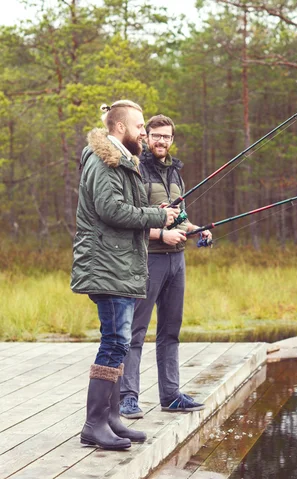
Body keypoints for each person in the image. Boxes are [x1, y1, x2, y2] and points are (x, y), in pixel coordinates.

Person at [71, 101, 180, 450]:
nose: (144, 134)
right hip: (107, 263)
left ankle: (112, 417)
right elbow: (110, 209)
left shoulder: (121, 161)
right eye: (140, 128)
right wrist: (154, 217)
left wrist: (155, 212)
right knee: (115, 342)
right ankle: (94, 424)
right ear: (120, 128)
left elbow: (128, 206)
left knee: (117, 344)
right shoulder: (105, 161)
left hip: (119, 264)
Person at [120, 114, 212, 419]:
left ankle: (171, 395)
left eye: (167, 136)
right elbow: (129, 219)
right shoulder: (135, 170)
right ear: (145, 137)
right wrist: (161, 234)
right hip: (148, 259)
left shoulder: (175, 173)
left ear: (172, 139)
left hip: (177, 261)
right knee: (135, 332)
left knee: (171, 330)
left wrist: (197, 229)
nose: (162, 141)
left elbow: (180, 217)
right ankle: (127, 397)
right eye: (156, 135)